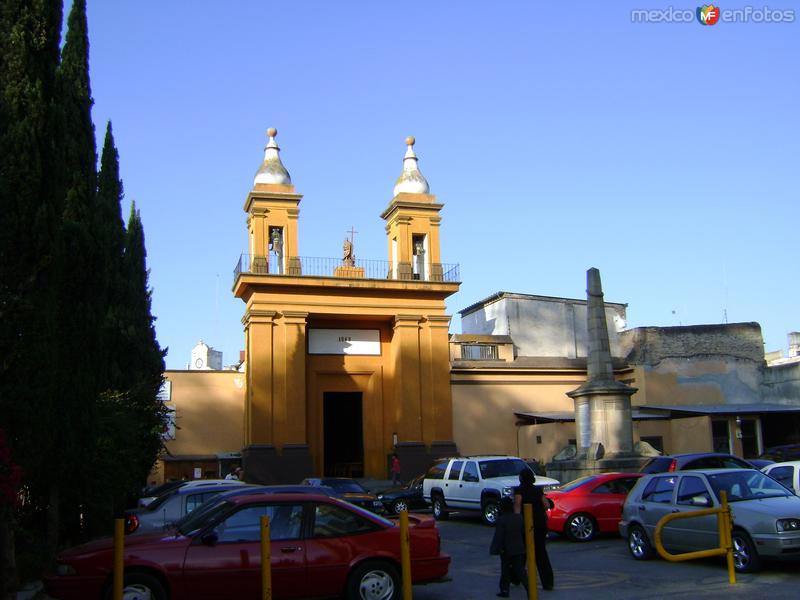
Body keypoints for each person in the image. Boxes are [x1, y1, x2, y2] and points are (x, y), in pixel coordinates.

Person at [513, 468, 554, 591]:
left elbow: (517, 508)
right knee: (541, 553)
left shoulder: (519, 491)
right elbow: (546, 505)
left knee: (522, 553)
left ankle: (515, 577)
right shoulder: (537, 490)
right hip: (540, 524)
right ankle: (548, 582)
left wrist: (516, 523)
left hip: (526, 525)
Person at [490, 496, 528, 598]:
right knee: (521, 571)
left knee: (505, 570)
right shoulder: (518, 517)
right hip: (519, 548)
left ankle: (505, 590)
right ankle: (529, 589)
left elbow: (499, 536)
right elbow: (523, 531)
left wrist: (495, 549)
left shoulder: (502, 520)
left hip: (506, 549)